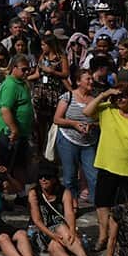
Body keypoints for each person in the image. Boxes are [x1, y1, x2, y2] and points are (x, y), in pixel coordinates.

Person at [84, 83, 128, 248]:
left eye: (123, 96)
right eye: (116, 97)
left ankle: (124, 236)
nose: (119, 100)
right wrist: (104, 94)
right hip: (107, 163)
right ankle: (103, 235)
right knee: (103, 202)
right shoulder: (107, 109)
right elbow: (87, 112)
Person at [26, 162, 95, 256]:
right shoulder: (34, 193)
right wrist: (52, 235)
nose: (43, 180)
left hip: (61, 230)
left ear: (54, 179)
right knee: (56, 239)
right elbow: (37, 220)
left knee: (58, 238)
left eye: (47, 177)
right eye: (40, 177)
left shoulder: (64, 192)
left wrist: (72, 230)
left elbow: (69, 214)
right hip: (42, 231)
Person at [53, 68, 99, 208]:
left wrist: (92, 125)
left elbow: (102, 121)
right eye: (88, 79)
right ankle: (72, 206)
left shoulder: (95, 99)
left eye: (92, 78)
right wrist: (74, 124)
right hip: (68, 140)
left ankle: (98, 206)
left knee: (94, 175)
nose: (91, 81)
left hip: (88, 142)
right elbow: (57, 119)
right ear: (79, 82)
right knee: (70, 177)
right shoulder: (68, 97)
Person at [0, 54, 35, 189]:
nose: (27, 72)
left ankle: (19, 191)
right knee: (5, 167)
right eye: (23, 69)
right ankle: (4, 192)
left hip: (21, 133)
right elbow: (5, 109)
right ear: (14, 68)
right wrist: (14, 129)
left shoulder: (22, 83)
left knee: (19, 164)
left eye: (28, 69)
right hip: (9, 133)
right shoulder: (10, 85)